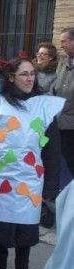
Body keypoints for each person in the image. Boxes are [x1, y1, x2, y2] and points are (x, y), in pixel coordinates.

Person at [0, 58, 63, 269]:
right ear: (11, 77)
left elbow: (52, 151)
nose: (30, 78)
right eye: (24, 74)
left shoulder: (44, 107)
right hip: (0, 178)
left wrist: (50, 188)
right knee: (0, 225)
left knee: (25, 229)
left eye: (32, 73)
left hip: (30, 180)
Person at [53, 27, 74, 178]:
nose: (61, 45)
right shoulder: (62, 63)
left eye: (64, 41)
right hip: (59, 123)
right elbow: (54, 87)